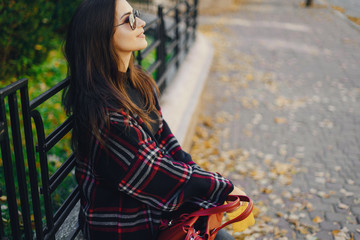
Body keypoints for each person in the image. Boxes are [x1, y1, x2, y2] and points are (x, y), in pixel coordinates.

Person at [63, 0, 246, 239]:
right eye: (128, 20)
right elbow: (153, 172)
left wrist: (200, 175)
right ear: (101, 35)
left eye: (135, 14)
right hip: (126, 228)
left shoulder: (138, 82)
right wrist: (222, 187)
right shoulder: (102, 111)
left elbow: (166, 140)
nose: (140, 23)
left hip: (154, 214)